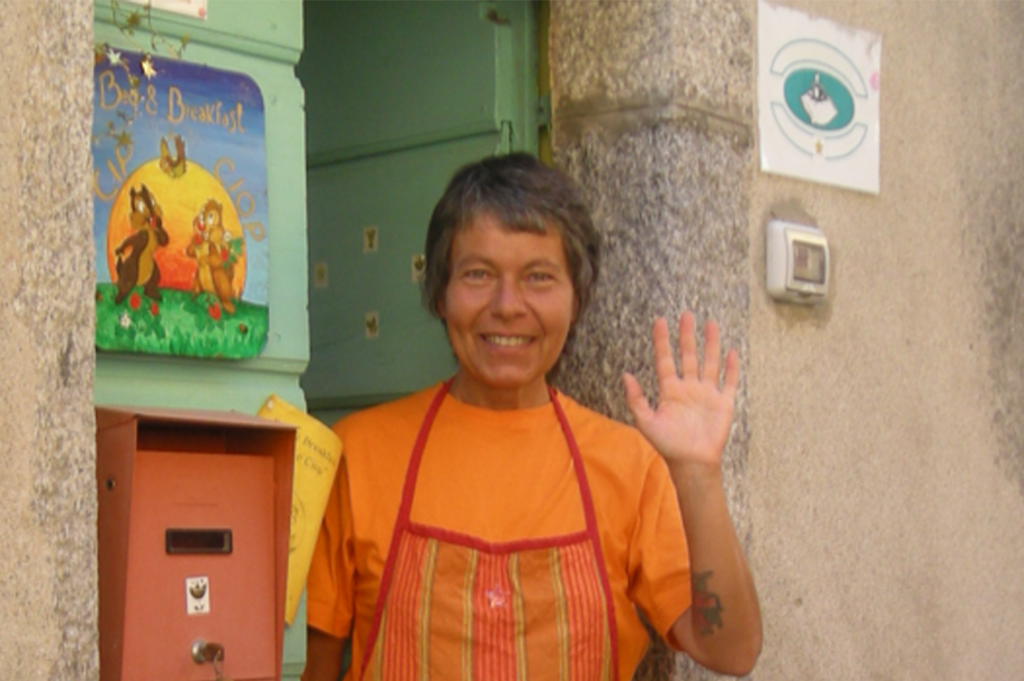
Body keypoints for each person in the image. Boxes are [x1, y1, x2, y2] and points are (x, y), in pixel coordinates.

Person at [303, 153, 762, 681]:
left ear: (576, 298)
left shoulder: (628, 467)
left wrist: (699, 474)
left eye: (538, 277)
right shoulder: (360, 454)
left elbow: (732, 652)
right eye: (478, 274)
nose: (507, 305)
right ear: (440, 294)